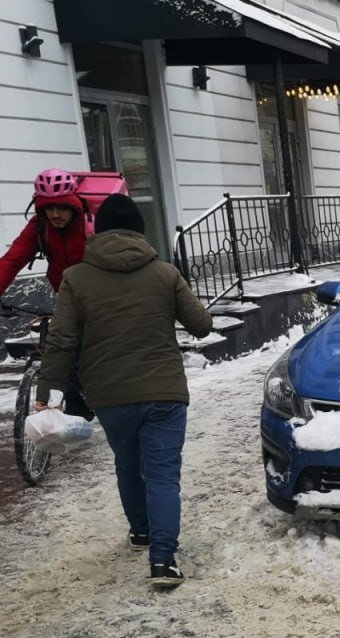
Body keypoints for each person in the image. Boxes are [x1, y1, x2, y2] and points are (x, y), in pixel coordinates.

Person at [36, 194, 213, 589]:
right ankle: (164, 561)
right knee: (164, 475)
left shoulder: (76, 278)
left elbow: (62, 341)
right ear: (141, 231)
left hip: (109, 394)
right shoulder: (165, 273)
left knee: (128, 464)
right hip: (165, 391)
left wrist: (48, 391)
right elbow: (201, 325)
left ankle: (141, 532)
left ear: (95, 232)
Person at [0, 169, 96, 418]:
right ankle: (76, 407)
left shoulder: (91, 224)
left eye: (61, 207)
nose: (55, 214)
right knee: (60, 349)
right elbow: (12, 259)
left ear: (73, 205)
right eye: (48, 208)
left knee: (90, 352)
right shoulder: (40, 227)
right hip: (64, 297)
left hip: (99, 297)